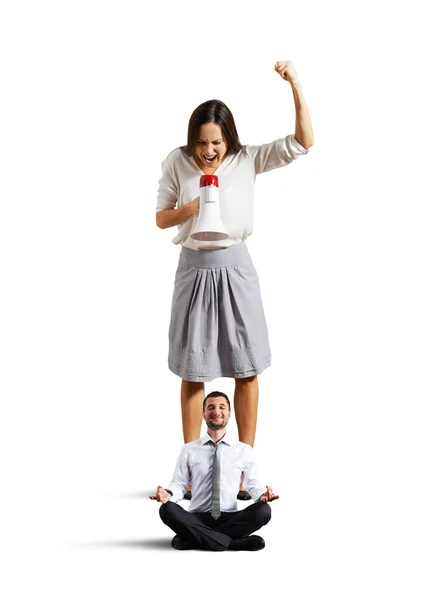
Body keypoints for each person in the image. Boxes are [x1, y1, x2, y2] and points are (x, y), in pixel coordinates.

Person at [156, 60, 314, 497]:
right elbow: (159, 218)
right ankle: (191, 471)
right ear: (193, 141)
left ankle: (244, 470)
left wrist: (295, 85)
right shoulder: (176, 162)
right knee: (193, 370)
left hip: (237, 268)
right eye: (202, 142)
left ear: (229, 139)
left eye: (217, 142)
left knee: (247, 368)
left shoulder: (248, 159)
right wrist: (187, 209)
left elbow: (304, 142)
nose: (209, 151)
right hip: (193, 269)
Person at [149, 391, 279, 551]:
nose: (216, 412)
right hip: (197, 517)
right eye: (210, 407)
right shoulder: (189, 449)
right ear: (203, 414)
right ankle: (233, 543)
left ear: (229, 413)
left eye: (221, 407)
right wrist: (168, 494)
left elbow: (253, 484)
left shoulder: (244, 450)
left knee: (263, 511)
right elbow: (180, 485)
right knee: (167, 509)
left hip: (229, 516)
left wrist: (262, 495)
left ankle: (193, 539)